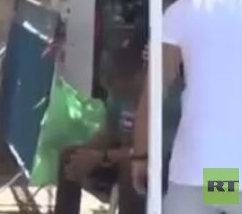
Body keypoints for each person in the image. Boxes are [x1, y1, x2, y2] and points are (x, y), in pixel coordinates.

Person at [133, 0, 242, 213]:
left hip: (202, 170)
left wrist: (141, 155)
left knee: (220, 192)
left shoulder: (186, 10)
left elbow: (155, 92)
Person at [54, 44, 180, 214]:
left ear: (137, 76)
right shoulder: (117, 97)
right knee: (69, 156)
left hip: (165, 167)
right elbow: (109, 132)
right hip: (123, 159)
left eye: (114, 85)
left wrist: (100, 157)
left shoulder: (167, 100)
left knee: (131, 167)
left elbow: (156, 152)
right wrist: (85, 154)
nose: (112, 92)